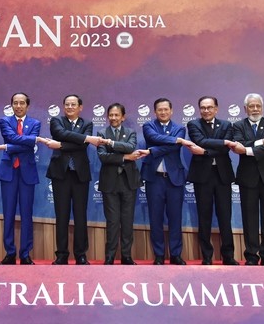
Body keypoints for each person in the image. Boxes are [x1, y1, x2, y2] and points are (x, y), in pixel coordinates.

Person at [46, 94, 107, 265]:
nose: (70, 107)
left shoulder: (87, 123)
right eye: (67, 104)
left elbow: (82, 145)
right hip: (61, 173)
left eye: (74, 104)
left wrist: (61, 145)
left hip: (80, 174)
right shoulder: (56, 121)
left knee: (80, 216)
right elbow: (60, 133)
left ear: (80, 107)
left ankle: (81, 254)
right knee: (62, 215)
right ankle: (61, 254)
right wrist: (86, 138)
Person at [230, 93, 264, 266]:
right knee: (249, 218)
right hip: (248, 179)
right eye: (251, 106)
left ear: (262, 107)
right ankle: (252, 257)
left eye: (258, 106)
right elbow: (237, 144)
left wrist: (246, 149)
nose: (255, 109)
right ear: (245, 108)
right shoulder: (237, 125)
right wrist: (261, 141)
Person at [0, 93, 49, 265]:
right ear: (11, 105)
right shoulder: (5, 121)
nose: (18, 106)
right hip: (8, 172)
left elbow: (26, 145)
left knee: (27, 214)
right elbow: (11, 137)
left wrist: (9, 147)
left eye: (22, 103)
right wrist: (31, 140)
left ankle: (25, 254)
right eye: (15, 103)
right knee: (8, 213)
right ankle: (10, 253)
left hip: (27, 172)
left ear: (28, 105)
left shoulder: (35, 123)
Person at [187, 96, 239, 265]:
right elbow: (200, 141)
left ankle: (228, 256)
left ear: (216, 109)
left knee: (225, 216)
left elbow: (224, 150)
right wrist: (223, 142)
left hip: (222, 175)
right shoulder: (193, 124)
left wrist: (205, 152)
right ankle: (207, 257)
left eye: (210, 107)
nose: (206, 111)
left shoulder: (227, 125)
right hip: (202, 177)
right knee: (204, 217)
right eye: (203, 108)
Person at [141, 98, 192, 265]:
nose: (163, 112)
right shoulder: (148, 126)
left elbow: (173, 148)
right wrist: (177, 140)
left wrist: (152, 150)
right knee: (155, 219)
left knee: (175, 218)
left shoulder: (179, 128)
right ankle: (159, 255)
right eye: (159, 110)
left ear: (171, 111)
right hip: (154, 179)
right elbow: (153, 137)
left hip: (174, 180)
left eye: (165, 109)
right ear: (155, 112)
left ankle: (176, 254)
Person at [97, 103, 148, 265]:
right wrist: (125, 157)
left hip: (128, 182)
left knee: (127, 220)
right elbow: (103, 157)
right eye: (111, 115)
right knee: (112, 221)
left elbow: (130, 146)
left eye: (116, 115)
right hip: (110, 183)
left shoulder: (131, 132)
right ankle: (110, 256)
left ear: (123, 117)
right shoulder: (101, 133)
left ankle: (126, 256)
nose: (113, 118)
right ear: (107, 117)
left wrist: (111, 144)